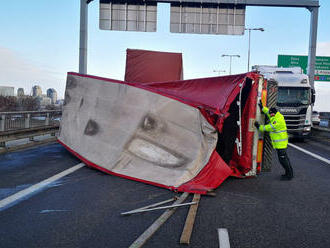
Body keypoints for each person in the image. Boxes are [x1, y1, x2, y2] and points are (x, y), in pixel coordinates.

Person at [254, 100, 294, 180]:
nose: (270, 115)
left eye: (271, 114)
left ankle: (289, 175)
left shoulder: (277, 121)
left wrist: (259, 127)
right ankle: (289, 173)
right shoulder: (276, 116)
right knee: (285, 159)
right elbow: (268, 113)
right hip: (281, 144)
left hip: (281, 145)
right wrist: (262, 108)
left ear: (274, 113)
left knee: (283, 160)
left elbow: (268, 127)